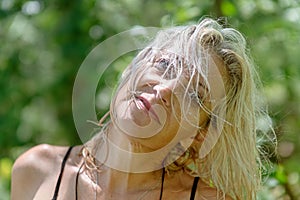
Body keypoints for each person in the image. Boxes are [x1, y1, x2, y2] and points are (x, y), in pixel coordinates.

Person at [11, 17, 275, 200]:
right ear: (131, 69)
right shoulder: (37, 169)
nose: (165, 89)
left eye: (194, 95)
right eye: (165, 65)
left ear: (200, 135)